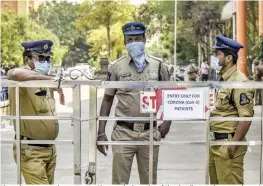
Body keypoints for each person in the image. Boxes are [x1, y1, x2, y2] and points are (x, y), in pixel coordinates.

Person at [97, 21, 171, 184]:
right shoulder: (116, 67)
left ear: (144, 39)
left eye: (137, 38)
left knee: (149, 181)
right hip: (123, 133)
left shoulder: (158, 66)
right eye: (130, 40)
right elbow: (107, 99)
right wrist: (100, 131)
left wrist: (166, 123)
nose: (133, 43)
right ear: (124, 41)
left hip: (150, 133)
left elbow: (169, 95)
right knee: (120, 182)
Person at [7, 40, 65, 184]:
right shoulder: (21, 80)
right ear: (27, 58)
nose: (45, 62)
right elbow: (13, 73)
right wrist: (51, 79)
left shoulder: (41, 80)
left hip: (49, 150)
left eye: (47, 59)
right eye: (40, 58)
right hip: (31, 151)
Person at [209, 35, 254, 184]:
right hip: (216, 143)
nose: (215, 57)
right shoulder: (223, 80)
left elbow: (246, 117)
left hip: (228, 143)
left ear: (228, 58)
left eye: (218, 54)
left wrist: (232, 146)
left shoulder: (239, 82)